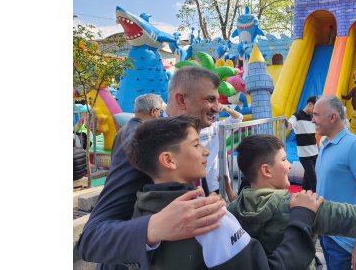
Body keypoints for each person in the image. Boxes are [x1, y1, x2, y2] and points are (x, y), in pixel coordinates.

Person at [125, 115, 326, 269]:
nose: (205, 151)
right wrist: (302, 217)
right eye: (196, 144)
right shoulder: (208, 217)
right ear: (169, 160)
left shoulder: (140, 209)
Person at [76, 67, 229, 270]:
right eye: (210, 100)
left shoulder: (187, 139)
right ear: (181, 100)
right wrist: (152, 228)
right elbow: (91, 239)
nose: (217, 108)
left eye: (217, 101)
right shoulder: (142, 142)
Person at [228, 134, 356, 270]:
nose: (290, 165)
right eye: (283, 160)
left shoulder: (233, 211)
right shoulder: (299, 207)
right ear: (266, 170)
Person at [311, 95, 356, 270]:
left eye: (316, 115)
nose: (312, 120)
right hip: (328, 235)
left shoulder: (355, 146)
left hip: (347, 244)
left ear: (333, 117)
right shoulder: (325, 143)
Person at [200, 102, 243, 200]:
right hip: (200, 180)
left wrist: (226, 109)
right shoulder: (191, 130)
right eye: (208, 114)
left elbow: (238, 118)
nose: (211, 116)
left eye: (212, 114)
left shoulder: (217, 127)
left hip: (217, 178)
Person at [285, 95, 319, 191]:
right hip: (304, 154)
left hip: (314, 152)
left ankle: (303, 194)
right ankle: (319, 199)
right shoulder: (297, 116)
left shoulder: (312, 118)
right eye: (315, 108)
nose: (316, 111)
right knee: (313, 178)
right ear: (309, 105)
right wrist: (286, 123)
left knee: (308, 178)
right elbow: (289, 125)